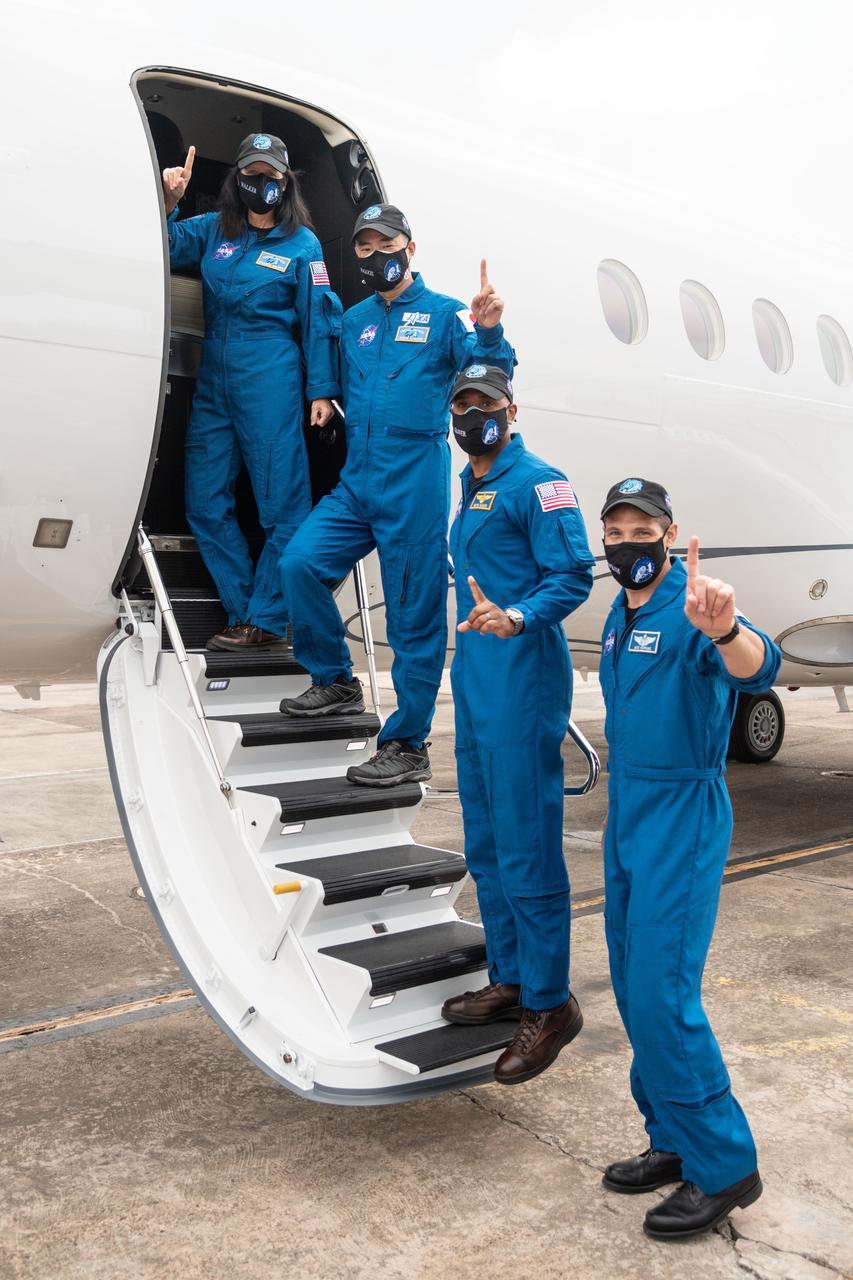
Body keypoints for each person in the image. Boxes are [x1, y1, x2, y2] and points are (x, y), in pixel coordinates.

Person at [597, 478, 782, 1241]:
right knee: (629, 985)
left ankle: (723, 1163)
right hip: (626, 812)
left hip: (681, 811)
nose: (627, 540)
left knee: (661, 991)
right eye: (615, 528)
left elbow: (756, 667)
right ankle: (670, 1135)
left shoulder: (695, 603)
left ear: (668, 536)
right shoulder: (620, 608)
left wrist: (727, 629)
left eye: (643, 528)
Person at [280, 205, 515, 786]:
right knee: (300, 563)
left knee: (413, 618)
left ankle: (408, 743)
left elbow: (492, 377)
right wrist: (322, 394)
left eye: (387, 243)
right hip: (359, 477)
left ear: (410, 248)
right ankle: (334, 677)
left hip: (414, 479)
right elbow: (329, 368)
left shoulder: (443, 316)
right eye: (364, 246)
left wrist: (488, 330)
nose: (376, 253)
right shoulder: (356, 319)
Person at [439, 365, 595, 1084]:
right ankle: (508, 976)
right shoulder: (472, 483)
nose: (474, 415)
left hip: (521, 673)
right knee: (487, 840)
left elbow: (570, 575)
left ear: (511, 409)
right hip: (476, 675)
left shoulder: (540, 481)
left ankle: (548, 1002)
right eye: (463, 405)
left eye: (486, 404)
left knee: (526, 846)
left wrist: (519, 616)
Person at [161, 134, 341, 651]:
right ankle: (246, 613)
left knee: (282, 506)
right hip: (215, 374)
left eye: (270, 176)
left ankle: (266, 616)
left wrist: (321, 391)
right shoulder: (216, 230)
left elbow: (321, 322)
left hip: (271, 374)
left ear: (285, 183)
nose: (261, 184)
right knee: (204, 500)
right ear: (237, 179)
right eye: (251, 175)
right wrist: (170, 200)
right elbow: (166, 245)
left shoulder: (303, 246)